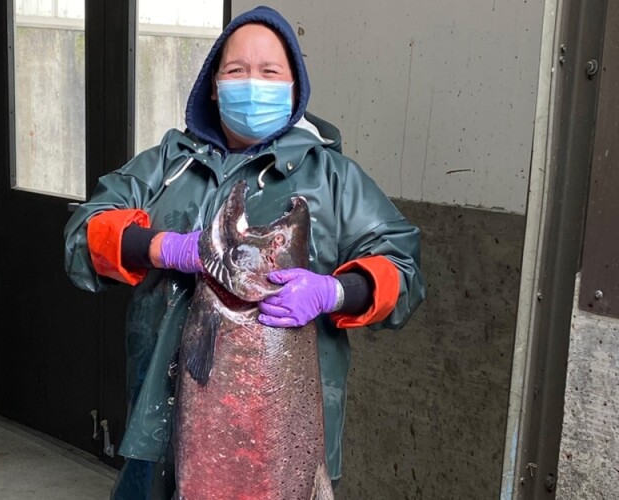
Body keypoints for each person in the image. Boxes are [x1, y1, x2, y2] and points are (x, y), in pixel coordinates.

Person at [64, 5, 426, 498]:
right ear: (214, 84)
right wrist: (162, 246)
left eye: (269, 71)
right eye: (236, 70)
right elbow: (82, 234)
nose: (252, 83)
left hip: (280, 440)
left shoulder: (335, 180)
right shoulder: (166, 167)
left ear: (294, 86)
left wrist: (337, 291)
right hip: (155, 427)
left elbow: (403, 270)